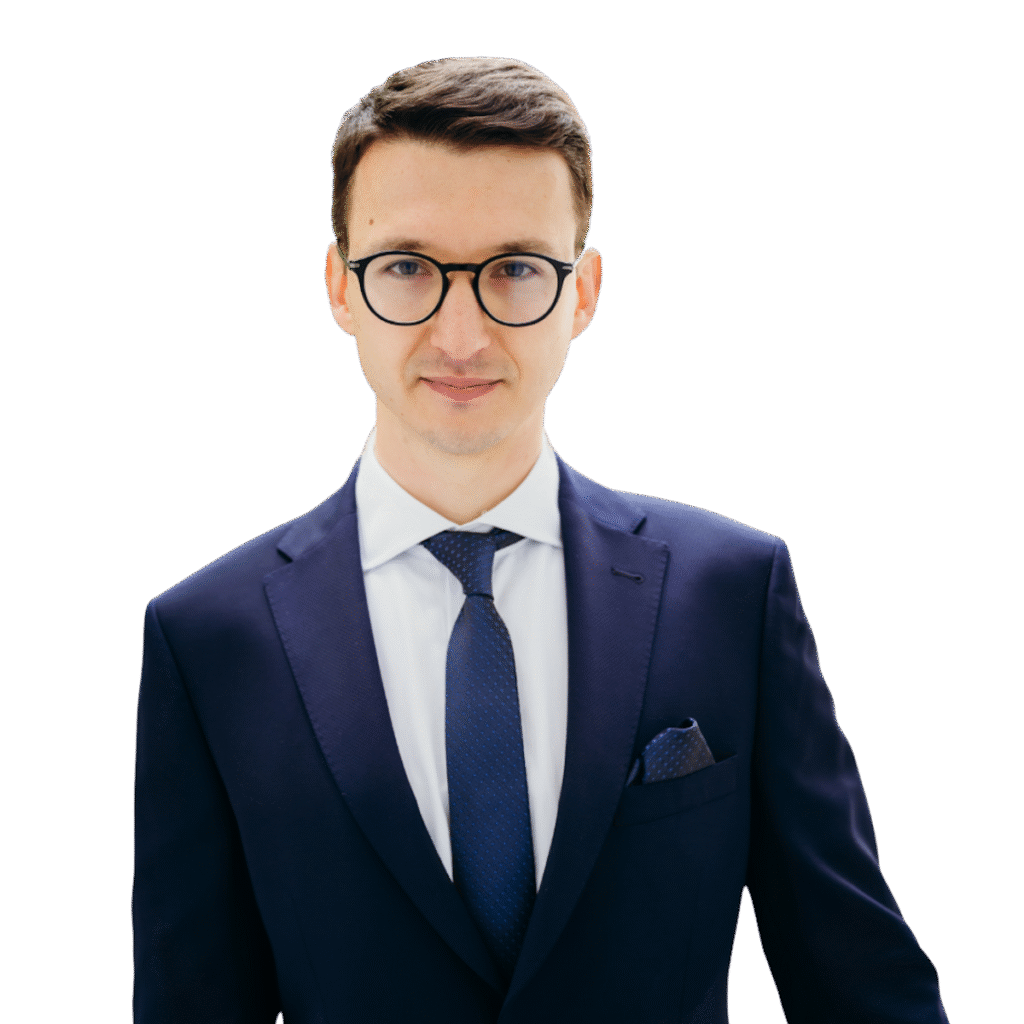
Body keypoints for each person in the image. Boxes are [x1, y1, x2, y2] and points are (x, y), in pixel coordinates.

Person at [132, 57, 949, 1023]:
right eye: (406, 268)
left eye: (516, 270)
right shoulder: (211, 639)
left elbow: (862, 985)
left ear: (584, 292)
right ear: (339, 287)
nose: (463, 335)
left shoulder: (730, 591)